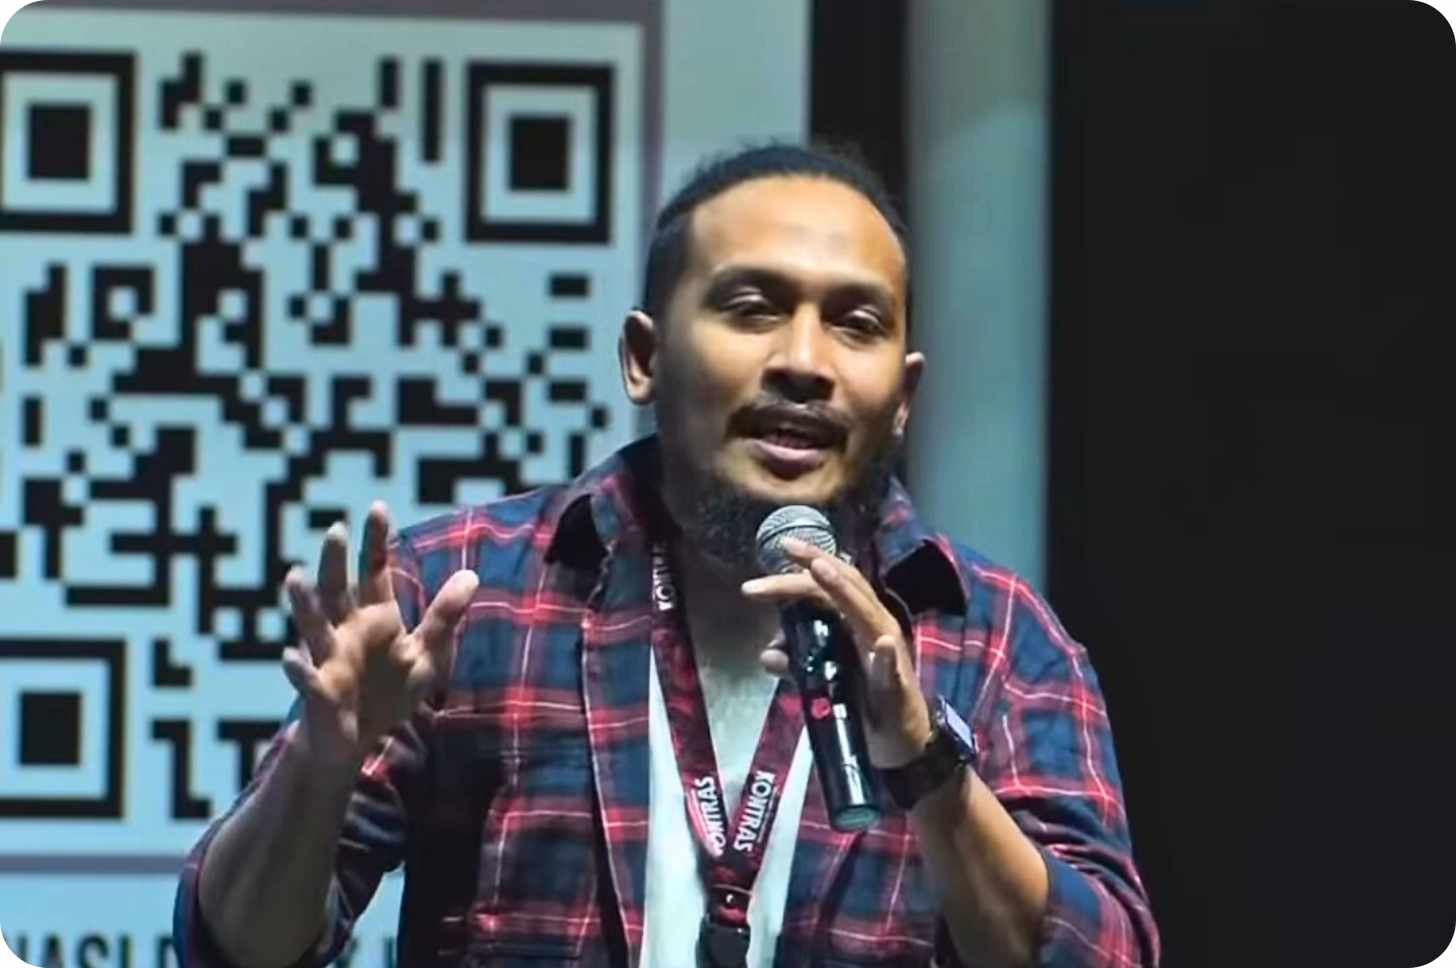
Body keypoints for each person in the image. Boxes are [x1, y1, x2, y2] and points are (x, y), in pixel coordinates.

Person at [174, 143, 1160, 968]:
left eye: (854, 323)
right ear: (645, 357)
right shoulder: (464, 593)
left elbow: (1106, 951)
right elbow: (231, 948)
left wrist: (929, 767)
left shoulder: (992, 636)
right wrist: (320, 767)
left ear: (901, 397)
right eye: (752, 307)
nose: (804, 362)